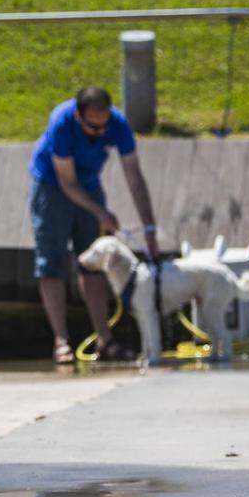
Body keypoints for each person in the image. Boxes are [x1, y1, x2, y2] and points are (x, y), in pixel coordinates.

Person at [28, 86, 159, 364]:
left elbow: (134, 176)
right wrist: (101, 212)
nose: (100, 133)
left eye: (104, 127)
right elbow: (67, 182)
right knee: (51, 263)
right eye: (92, 127)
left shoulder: (118, 124)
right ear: (78, 116)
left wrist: (149, 228)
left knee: (94, 262)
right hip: (51, 188)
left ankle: (105, 339)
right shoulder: (61, 122)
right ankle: (61, 341)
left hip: (89, 185)